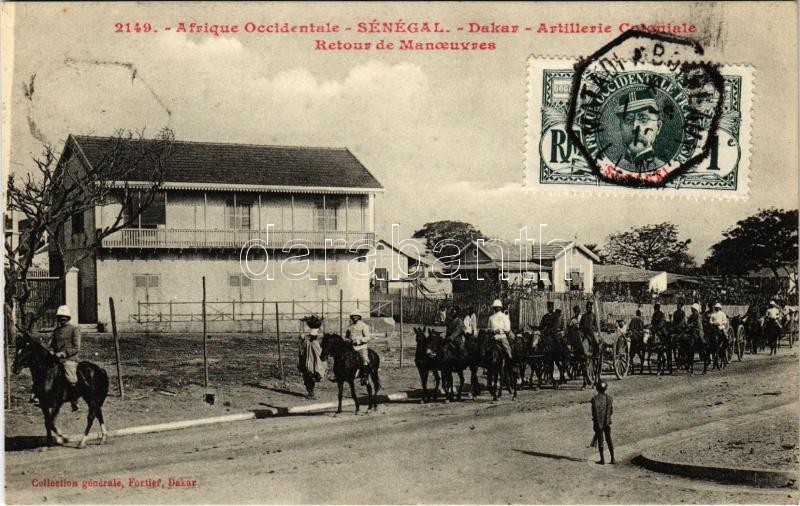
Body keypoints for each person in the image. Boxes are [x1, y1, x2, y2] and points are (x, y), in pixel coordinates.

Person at [615, 88, 665, 173]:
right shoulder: (613, 166)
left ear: (658, 127)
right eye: (628, 120)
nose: (635, 127)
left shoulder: (663, 168)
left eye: (643, 119)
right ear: (620, 127)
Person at [51, 305, 81, 412]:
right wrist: (52, 351)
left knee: (70, 377)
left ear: (68, 318)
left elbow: (76, 347)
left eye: (64, 318)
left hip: (70, 358)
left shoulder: (74, 329)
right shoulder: (56, 331)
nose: (62, 321)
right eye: (60, 318)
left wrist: (63, 354)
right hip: (57, 358)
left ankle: (74, 400)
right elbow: (53, 345)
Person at [298, 315, 327, 399]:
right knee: (308, 374)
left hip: (316, 360)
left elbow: (321, 351)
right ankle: (310, 392)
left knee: (314, 373)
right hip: (308, 360)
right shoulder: (307, 340)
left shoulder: (317, 342)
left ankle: (311, 390)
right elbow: (301, 350)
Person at [591, 381, 615, 465]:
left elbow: (593, 413)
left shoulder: (594, 399)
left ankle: (602, 460)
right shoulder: (610, 398)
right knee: (609, 439)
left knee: (600, 441)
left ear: (597, 389)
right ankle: (612, 458)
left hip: (598, 423)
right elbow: (611, 411)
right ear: (606, 389)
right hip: (607, 422)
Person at [345, 311, 371, 385]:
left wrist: (358, 341)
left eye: (356, 316)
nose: (354, 318)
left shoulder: (364, 326)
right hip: (351, 347)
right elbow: (346, 337)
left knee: (364, 359)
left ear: (359, 317)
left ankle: (365, 377)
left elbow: (367, 337)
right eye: (353, 316)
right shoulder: (349, 327)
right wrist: (348, 340)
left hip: (361, 347)